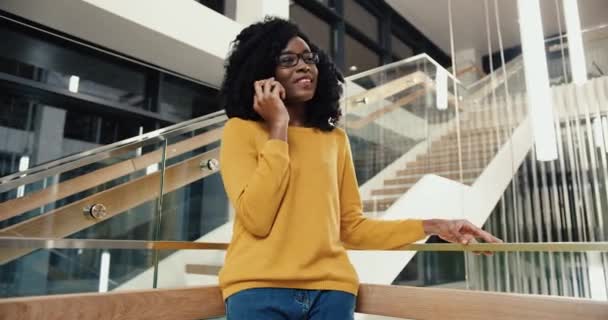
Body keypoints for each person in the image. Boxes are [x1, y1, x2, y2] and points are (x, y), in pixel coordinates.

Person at [218, 17, 501, 320]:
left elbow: (351, 227)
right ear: (262, 72)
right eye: (287, 60)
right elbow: (257, 219)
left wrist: (433, 226)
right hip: (258, 290)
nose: (303, 66)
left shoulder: (334, 139)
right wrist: (279, 127)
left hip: (331, 293)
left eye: (308, 58)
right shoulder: (240, 131)